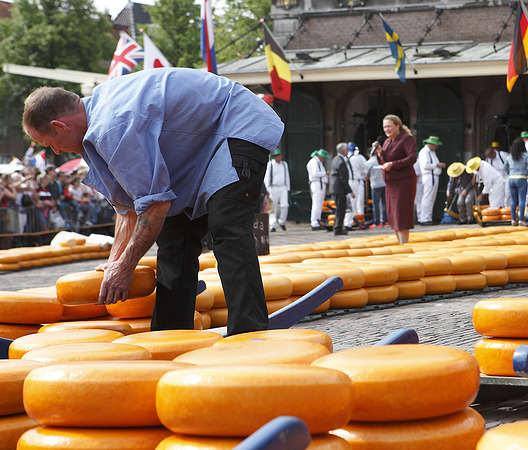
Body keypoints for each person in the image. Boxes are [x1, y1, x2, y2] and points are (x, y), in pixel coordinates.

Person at [22, 68, 284, 336]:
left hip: (236, 125)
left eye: (50, 144)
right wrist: (115, 263)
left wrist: (126, 266)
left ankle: (249, 333)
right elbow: (127, 210)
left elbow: (155, 206)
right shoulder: (97, 128)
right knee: (173, 240)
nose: (56, 151)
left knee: (226, 225)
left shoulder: (112, 126)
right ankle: (170, 335)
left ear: (59, 126)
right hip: (198, 150)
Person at [379, 114, 417, 245]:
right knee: (392, 214)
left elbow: (412, 158)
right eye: (384, 127)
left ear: (397, 126)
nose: (386, 129)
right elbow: (385, 161)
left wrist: (393, 164)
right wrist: (379, 153)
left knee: (401, 214)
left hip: (404, 182)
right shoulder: (387, 141)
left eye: (389, 126)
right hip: (391, 182)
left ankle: (404, 244)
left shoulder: (406, 139)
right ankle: (400, 243)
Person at [503, 138, 528, 226]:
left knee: (513, 200)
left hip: (511, 179)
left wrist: (509, 173)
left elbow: (504, 168)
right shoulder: (525, 155)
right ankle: (521, 219)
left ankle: (513, 219)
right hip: (521, 178)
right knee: (522, 200)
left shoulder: (510, 156)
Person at [418, 136, 445, 225]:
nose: (436, 147)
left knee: (431, 198)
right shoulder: (424, 152)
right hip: (429, 176)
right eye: (435, 145)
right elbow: (425, 165)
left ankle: (427, 217)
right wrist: (437, 165)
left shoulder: (431, 152)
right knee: (427, 197)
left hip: (433, 176)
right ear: (431, 144)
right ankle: (425, 218)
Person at [330, 143, 354, 236]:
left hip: (336, 188)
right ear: (344, 151)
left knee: (339, 209)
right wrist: (350, 190)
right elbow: (343, 178)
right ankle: (338, 228)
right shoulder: (341, 161)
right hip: (339, 189)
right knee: (341, 209)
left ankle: (338, 227)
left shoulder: (336, 159)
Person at [265, 149, 290, 232]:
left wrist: (288, 187)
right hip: (273, 187)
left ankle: (282, 221)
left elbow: (287, 176)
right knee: (273, 206)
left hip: (283, 187)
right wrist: (267, 188)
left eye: (280, 155)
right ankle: (273, 225)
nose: (279, 157)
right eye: (277, 155)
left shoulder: (284, 164)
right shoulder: (270, 164)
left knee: (285, 205)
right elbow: (267, 177)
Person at [345, 142, 368, 229]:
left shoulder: (345, 158)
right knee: (359, 201)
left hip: (349, 181)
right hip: (357, 181)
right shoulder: (358, 158)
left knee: (351, 202)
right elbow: (364, 168)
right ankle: (359, 220)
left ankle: (350, 221)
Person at [365, 141, 387, 228]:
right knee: (384, 203)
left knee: (376, 204)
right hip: (384, 183)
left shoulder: (369, 162)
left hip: (375, 185)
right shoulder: (382, 160)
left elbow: (366, 175)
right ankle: (385, 220)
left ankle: (377, 221)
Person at [307, 149, 329, 231]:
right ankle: (314, 222)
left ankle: (318, 220)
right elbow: (315, 174)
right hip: (317, 184)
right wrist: (325, 173)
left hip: (320, 184)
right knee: (316, 204)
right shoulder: (314, 162)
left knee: (319, 204)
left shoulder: (319, 162)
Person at [485, 142, 510, 206]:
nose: (490, 158)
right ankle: (500, 208)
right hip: (498, 180)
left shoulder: (503, 155)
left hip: (507, 177)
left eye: (491, 157)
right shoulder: (488, 160)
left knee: (508, 194)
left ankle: (507, 209)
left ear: (494, 153)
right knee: (499, 195)